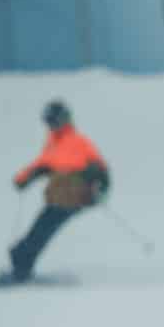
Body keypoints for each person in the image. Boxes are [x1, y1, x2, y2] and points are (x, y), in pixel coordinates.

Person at [7, 99, 110, 282]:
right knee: (39, 231)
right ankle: (21, 264)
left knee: (40, 231)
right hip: (58, 198)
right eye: (48, 121)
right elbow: (44, 165)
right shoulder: (55, 142)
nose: (51, 125)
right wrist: (25, 178)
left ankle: (21, 266)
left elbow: (101, 171)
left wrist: (99, 191)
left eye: (54, 120)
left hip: (73, 198)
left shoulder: (78, 142)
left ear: (64, 119)